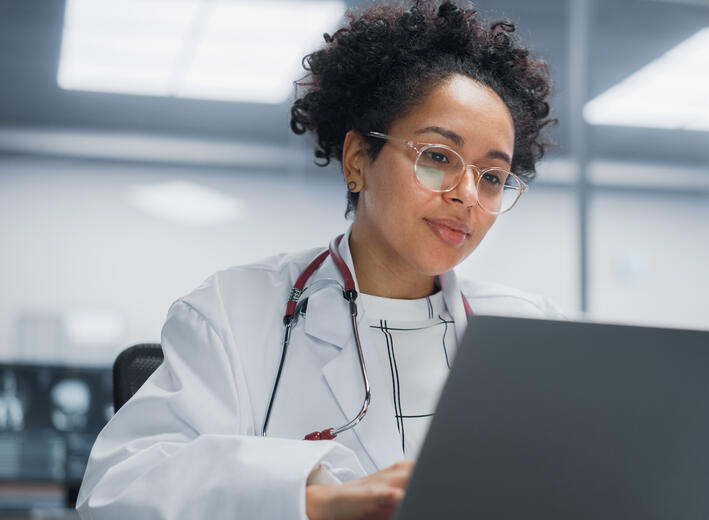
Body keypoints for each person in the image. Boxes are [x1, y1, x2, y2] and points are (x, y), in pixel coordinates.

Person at [76, 1, 556, 519]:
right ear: (357, 160)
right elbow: (117, 491)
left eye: (491, 177)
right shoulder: (234, 312)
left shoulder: (532, 330)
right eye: (437, 157)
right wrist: (310, 500)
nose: (467, 194)